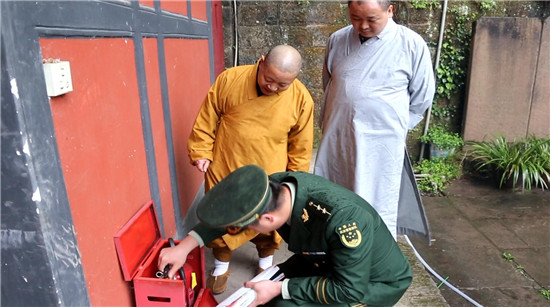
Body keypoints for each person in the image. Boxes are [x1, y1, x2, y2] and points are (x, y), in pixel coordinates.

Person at [158, 165, 412, 306]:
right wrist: (186, 246)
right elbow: (235, 214)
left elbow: (348, 289)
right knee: (256, 298)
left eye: (249, 228)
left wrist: (281, 288)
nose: (244, 232)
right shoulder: (274, 188)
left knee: (282, 304)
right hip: (326, 262)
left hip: (370, 284)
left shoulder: (345, 221)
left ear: (268, 220)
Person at [187, 45, 314, 294]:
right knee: (223, 217)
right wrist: (201, 151)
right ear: (262, 61)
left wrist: (295, 180)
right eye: (269, 79)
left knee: (268, 221)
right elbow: (207, 116)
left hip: (270, 170)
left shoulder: (301, 99)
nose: (273, 88)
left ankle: (265, 265)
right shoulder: (230, 79)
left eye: (282, 85)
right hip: (228, 164)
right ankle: (221, 265)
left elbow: (301, 145)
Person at [314, 0, 435, 239]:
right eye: (356, 18)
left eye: (371, 19)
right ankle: (334, 246)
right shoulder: (338, 39)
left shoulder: (410, 44)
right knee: (336, 191)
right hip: (339, 133)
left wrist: (394, 128)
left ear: (390, 11)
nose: (363, 26)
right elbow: (330, 84)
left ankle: (375, 253)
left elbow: (422, 97)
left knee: (377, 196)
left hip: (382, 140)